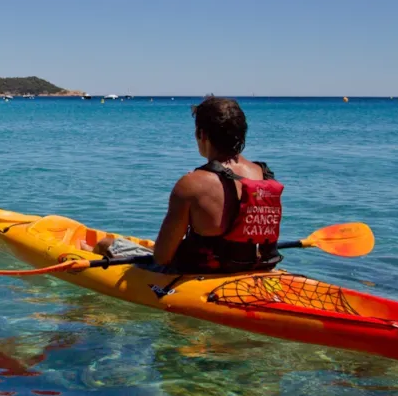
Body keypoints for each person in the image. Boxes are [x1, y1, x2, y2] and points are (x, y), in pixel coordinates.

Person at [92, 96, 284, 274]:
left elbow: (162, 257)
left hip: (198, 274)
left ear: (202, 134)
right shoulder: (264, 176)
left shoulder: (192, 184)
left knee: (105, 245)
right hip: (254, 268)